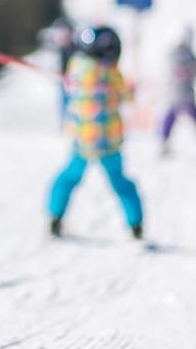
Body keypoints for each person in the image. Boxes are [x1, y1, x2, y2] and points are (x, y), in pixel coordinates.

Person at [48, 25, 145, 240]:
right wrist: (131, 89)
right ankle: (136, 225)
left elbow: (70, 89)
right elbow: (126, 97)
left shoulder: (76, 69)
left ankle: (55, 217)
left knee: (68, 178)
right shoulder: (112, 74)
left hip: (83, 140)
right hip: (109, 142)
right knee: (120, 182)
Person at [160, 25, 196, 158]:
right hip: (188, 96)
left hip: (174, 95)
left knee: (170, 119)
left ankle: (164, 143)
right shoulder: (190, 55)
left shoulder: (172, 55)